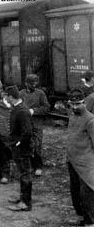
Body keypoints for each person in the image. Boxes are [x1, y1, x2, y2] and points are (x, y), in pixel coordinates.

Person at [66, 89, 94, 226]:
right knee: (75, 192)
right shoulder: (72, 116)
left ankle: (90, 222)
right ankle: (82, 218)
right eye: (73, 104)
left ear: (84, 102)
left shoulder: (90, 120)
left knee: (87, 195)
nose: (75, 107)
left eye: (79, 104)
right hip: (72, 162)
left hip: (86, 165)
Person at [5, 85, 33, 212]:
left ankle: (26, 203)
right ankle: (22, 198)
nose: (6, 98)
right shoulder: (17, 108)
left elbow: (27, 132)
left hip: (23, 148)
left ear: (11, 97)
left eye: (7, 96)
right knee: (22, 173)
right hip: (19, 147)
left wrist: (18, 144)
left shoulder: (22, 111)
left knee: (25, 174)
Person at [19, 74, 50, 176]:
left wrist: (33, 111)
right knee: (26, 145)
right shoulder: (21, 94)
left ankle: (38, 166)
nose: (34, 85)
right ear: (26, 83)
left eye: (36, 83)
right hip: (25, 124)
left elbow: (46, 108)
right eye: (31, 83)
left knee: (37, 145)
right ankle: (29, 167)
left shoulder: (40, 93)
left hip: (36, 124)